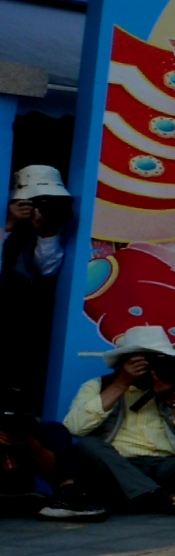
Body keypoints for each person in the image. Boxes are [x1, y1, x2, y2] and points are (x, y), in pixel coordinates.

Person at [59, 326, 175, 521]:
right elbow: (74, 428)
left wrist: (172, 397)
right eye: (146, 360)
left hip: (167, 465)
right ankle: (162, 497)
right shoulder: (99, 386)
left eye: (159, 359)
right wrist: (121, 384)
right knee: (87, 445)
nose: (152, 368)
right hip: (119, 467)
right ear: (126, 361)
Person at [2, 163, 77, 416]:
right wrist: (9, 225)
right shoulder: (8, 225)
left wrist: (47, 231)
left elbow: (46, 271)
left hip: (25, 318)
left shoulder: (40, 231)